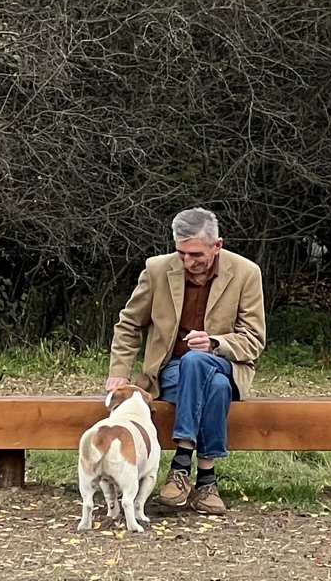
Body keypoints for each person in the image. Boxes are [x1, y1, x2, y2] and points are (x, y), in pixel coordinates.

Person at [103, 206, 266, 514]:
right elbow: (128, 324)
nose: (188, 262)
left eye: (196, 255)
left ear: (217, 245)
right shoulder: (157, 269)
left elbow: (254, 340)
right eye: (181, 254)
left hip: (225, 364)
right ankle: (206, 481)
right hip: (172, 372)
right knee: (210, 383)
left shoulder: (246, 273)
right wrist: (120, 374)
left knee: (201, 363)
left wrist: (215, 342)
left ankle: (181, 465)